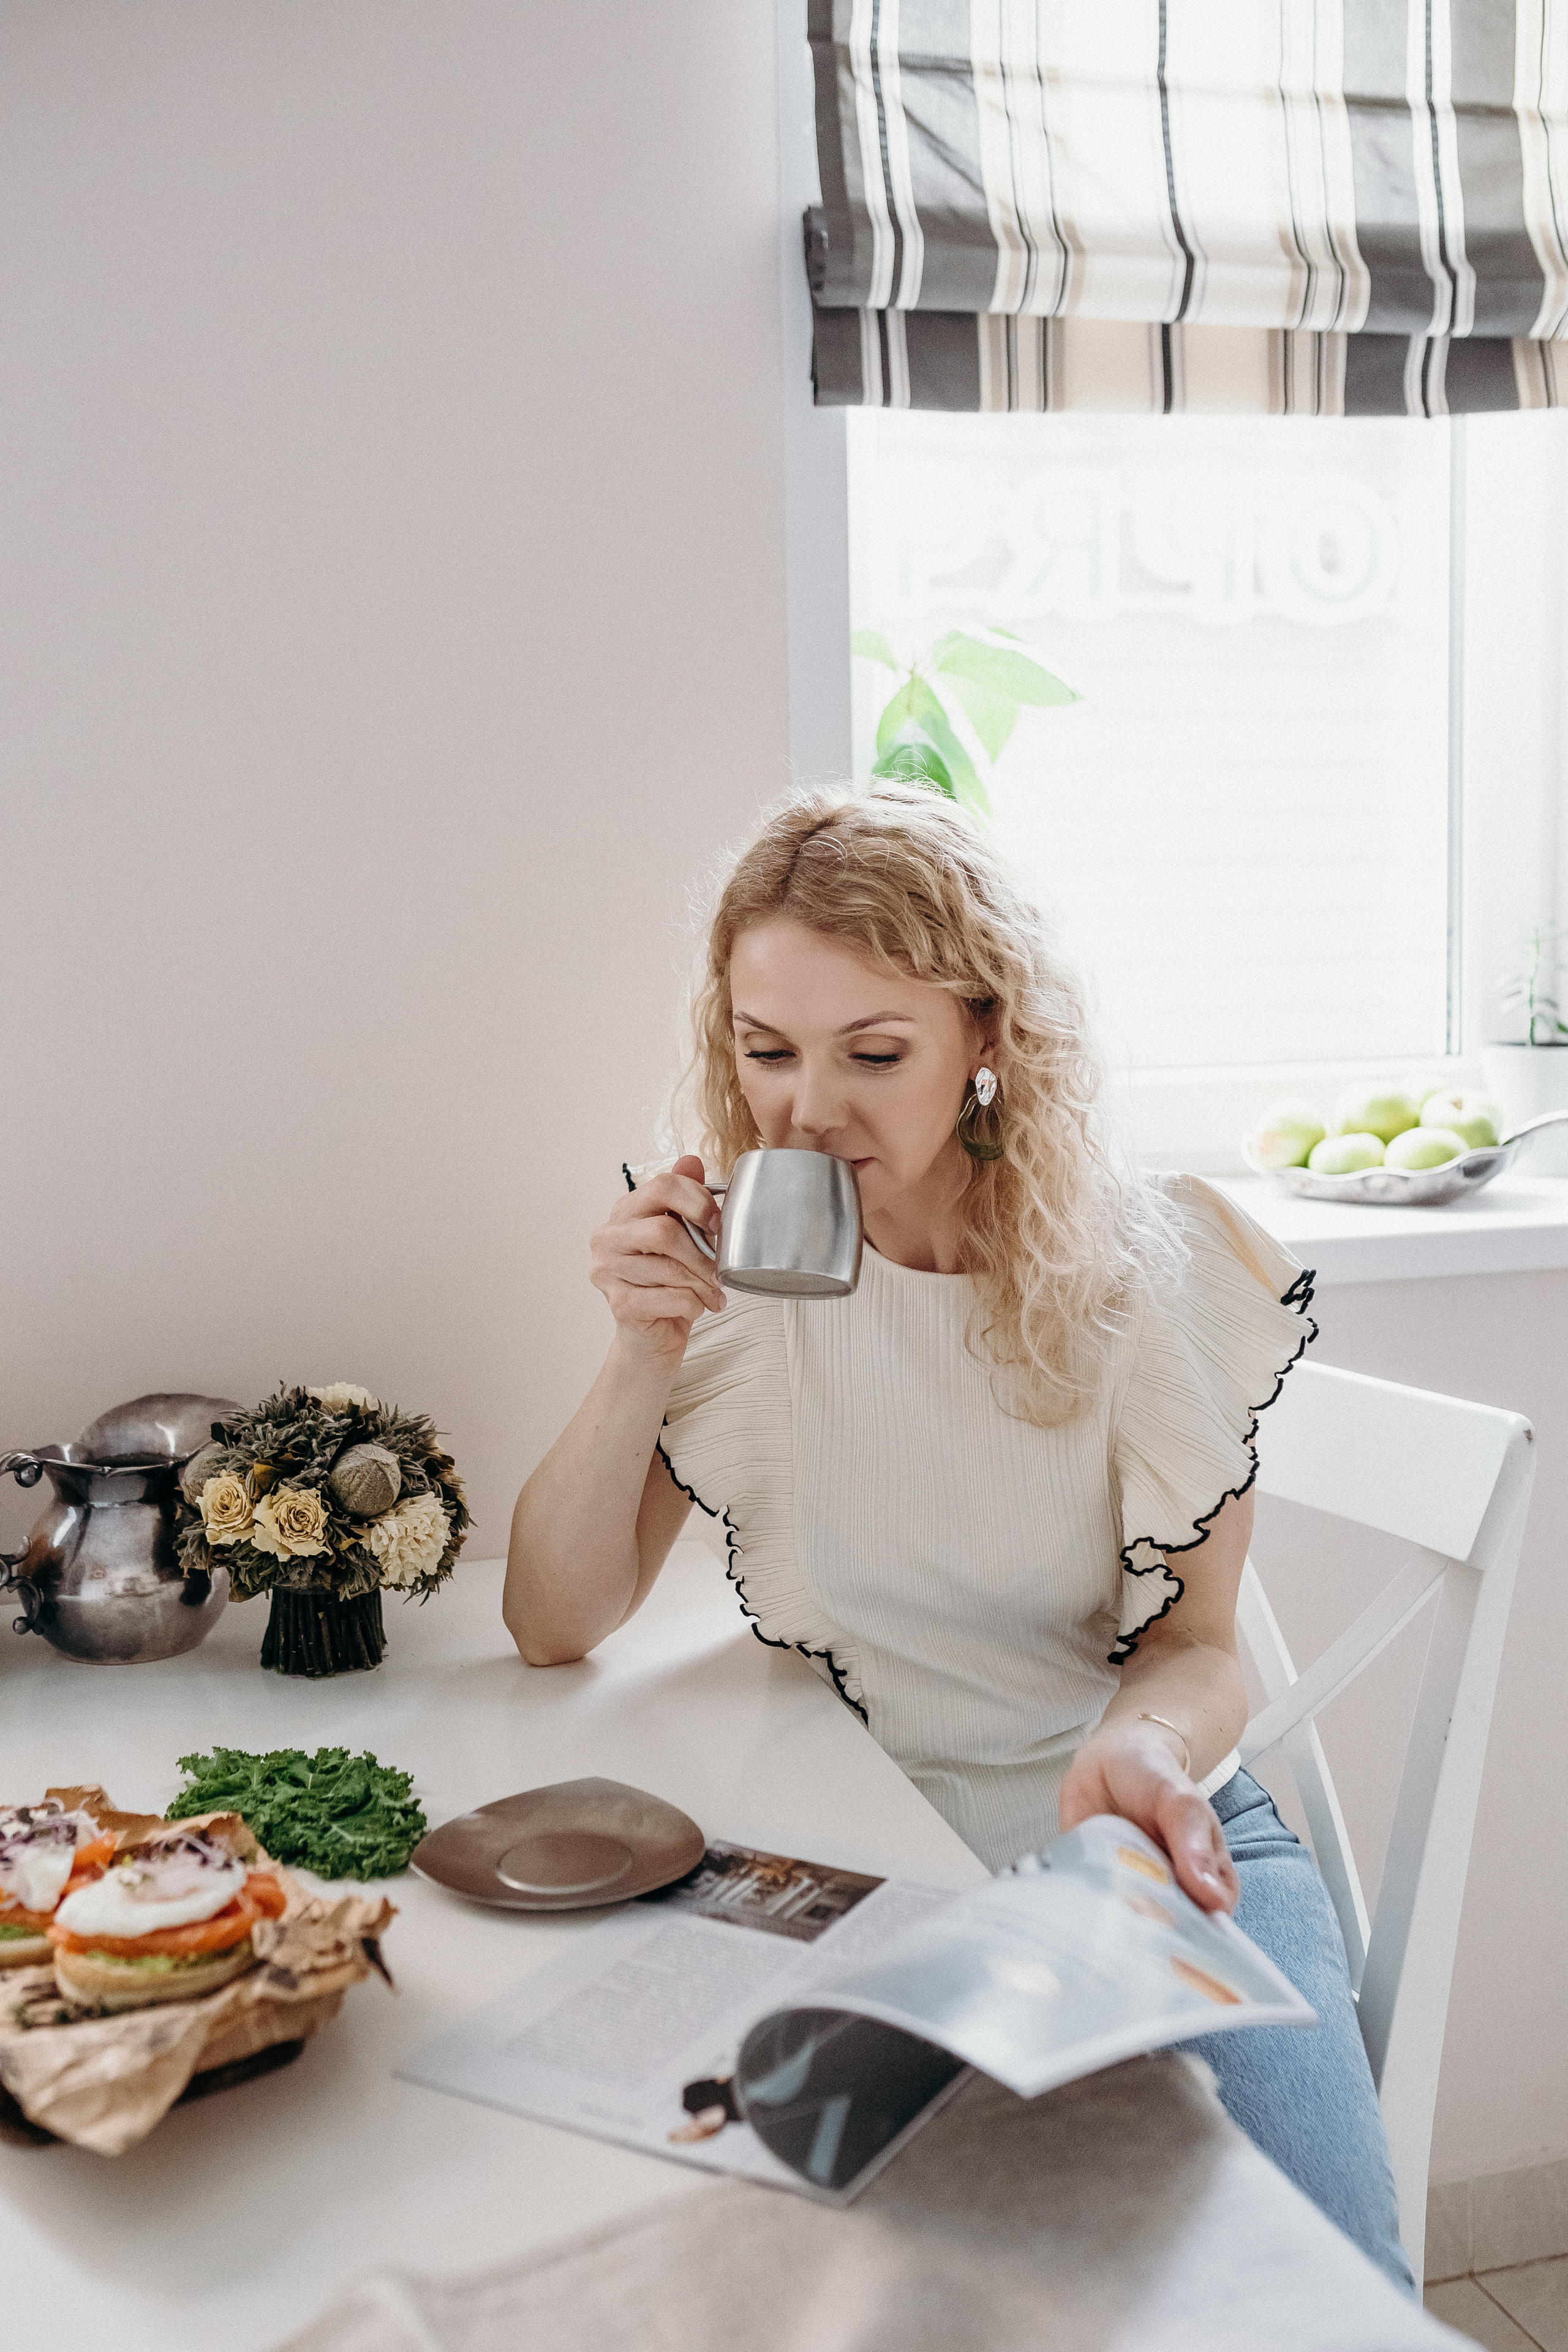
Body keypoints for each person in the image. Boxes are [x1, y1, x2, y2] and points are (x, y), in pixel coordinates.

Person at [505, 785, 1411, 2291]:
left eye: (872, 1054)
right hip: (865, 1855)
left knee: (1320, 2288)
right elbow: (554, 1620)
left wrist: (1143, 1757)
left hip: (1138, 1833)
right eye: (766, 1050)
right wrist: (637, 1351)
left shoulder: (1146, 1267)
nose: (806, 1111)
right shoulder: (733, 1268)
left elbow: (1197, 1648)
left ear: (984, 1038)